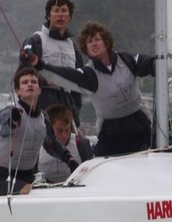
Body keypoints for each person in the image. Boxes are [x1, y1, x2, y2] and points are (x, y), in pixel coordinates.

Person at [27, 21, 154, 157]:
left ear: (106, 42)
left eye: (97, 39)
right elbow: (66, 75)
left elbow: (153, 64)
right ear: (85, 48)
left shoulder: (127, 60)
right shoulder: (88, 74)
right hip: (111, 136)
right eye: (89, 42)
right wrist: (40, 65)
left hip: (140, 128)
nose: (93, 44)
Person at [0, 67, 79, 195]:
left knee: (54, 191)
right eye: (25, 82)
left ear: (40, 90)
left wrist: (70, 160)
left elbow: (51, 145)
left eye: (34, 82)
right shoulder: (8, 112)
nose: (30, 84)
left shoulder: (43, 117)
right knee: (34, 191)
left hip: (28, 175)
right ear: (18, 91)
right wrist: (13, 122)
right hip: (2, 177)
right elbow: (4, 129)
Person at [18, 0, 84, 119]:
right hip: (41, 107)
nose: (60, 14)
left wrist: (75, 116)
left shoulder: (74, 49)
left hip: (66, 110)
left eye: (64, 11)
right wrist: (45, 80)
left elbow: (78, 86)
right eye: (56, 10)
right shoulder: (36, 40)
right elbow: (23, 74)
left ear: (70, 17)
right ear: (48, 16)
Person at [39, 104, 94, 184]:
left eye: (67, 130)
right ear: (49, 129)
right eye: (59, 131)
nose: (64, 136)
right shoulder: (37, 145)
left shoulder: (82, 145)